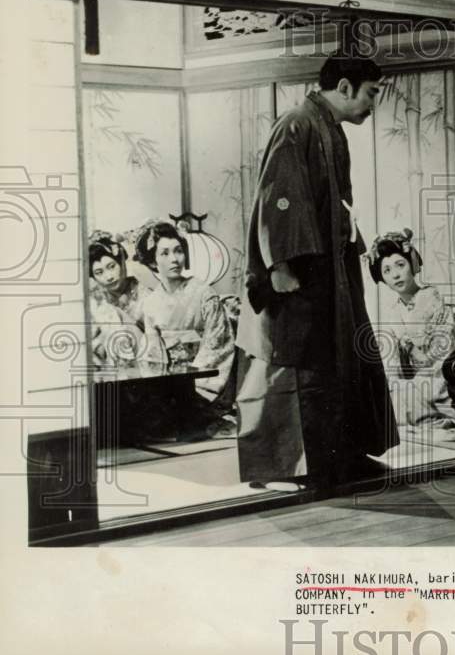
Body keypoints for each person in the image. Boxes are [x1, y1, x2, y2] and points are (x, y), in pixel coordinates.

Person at [235, 54, 398, 492]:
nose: (372, 104)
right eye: (371, 93)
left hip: (329, 269)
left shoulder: (329, 127)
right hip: (299, 272)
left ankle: (340, 456)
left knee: (337, 360)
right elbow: (278, 199)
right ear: (344, 87)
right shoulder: (296, 124)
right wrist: (280, 265)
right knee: (300, 364)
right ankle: (300, 466)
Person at [366, 228, 455, 439]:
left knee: (414, 397)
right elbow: (391, 362)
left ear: (412, 264)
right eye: (387, 271)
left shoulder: (433, 299)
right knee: (385, 398)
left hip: (444, 379)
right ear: (382, 278)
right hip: (417, 382)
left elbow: (449, 350)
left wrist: (421, 379)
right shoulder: (392, 312)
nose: (396, 275)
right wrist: (394, 382)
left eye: (400, 265)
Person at [134, 221, 237, 436]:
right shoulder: (151, 303)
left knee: (189, 419)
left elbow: (217, 345)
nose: (174, 259)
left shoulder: (204, 293)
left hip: (205, 385)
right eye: (165, 253)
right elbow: (153, 356)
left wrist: (193, 386)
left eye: (178, 251)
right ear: (153, 261)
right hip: (170, 387)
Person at [87, 231, 148, 365]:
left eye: (111, 266)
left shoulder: (143, 291)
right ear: (93, 277)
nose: (109, 276)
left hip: (145, 356)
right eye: (99, 272)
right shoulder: (96, 301)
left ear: (121, 262)